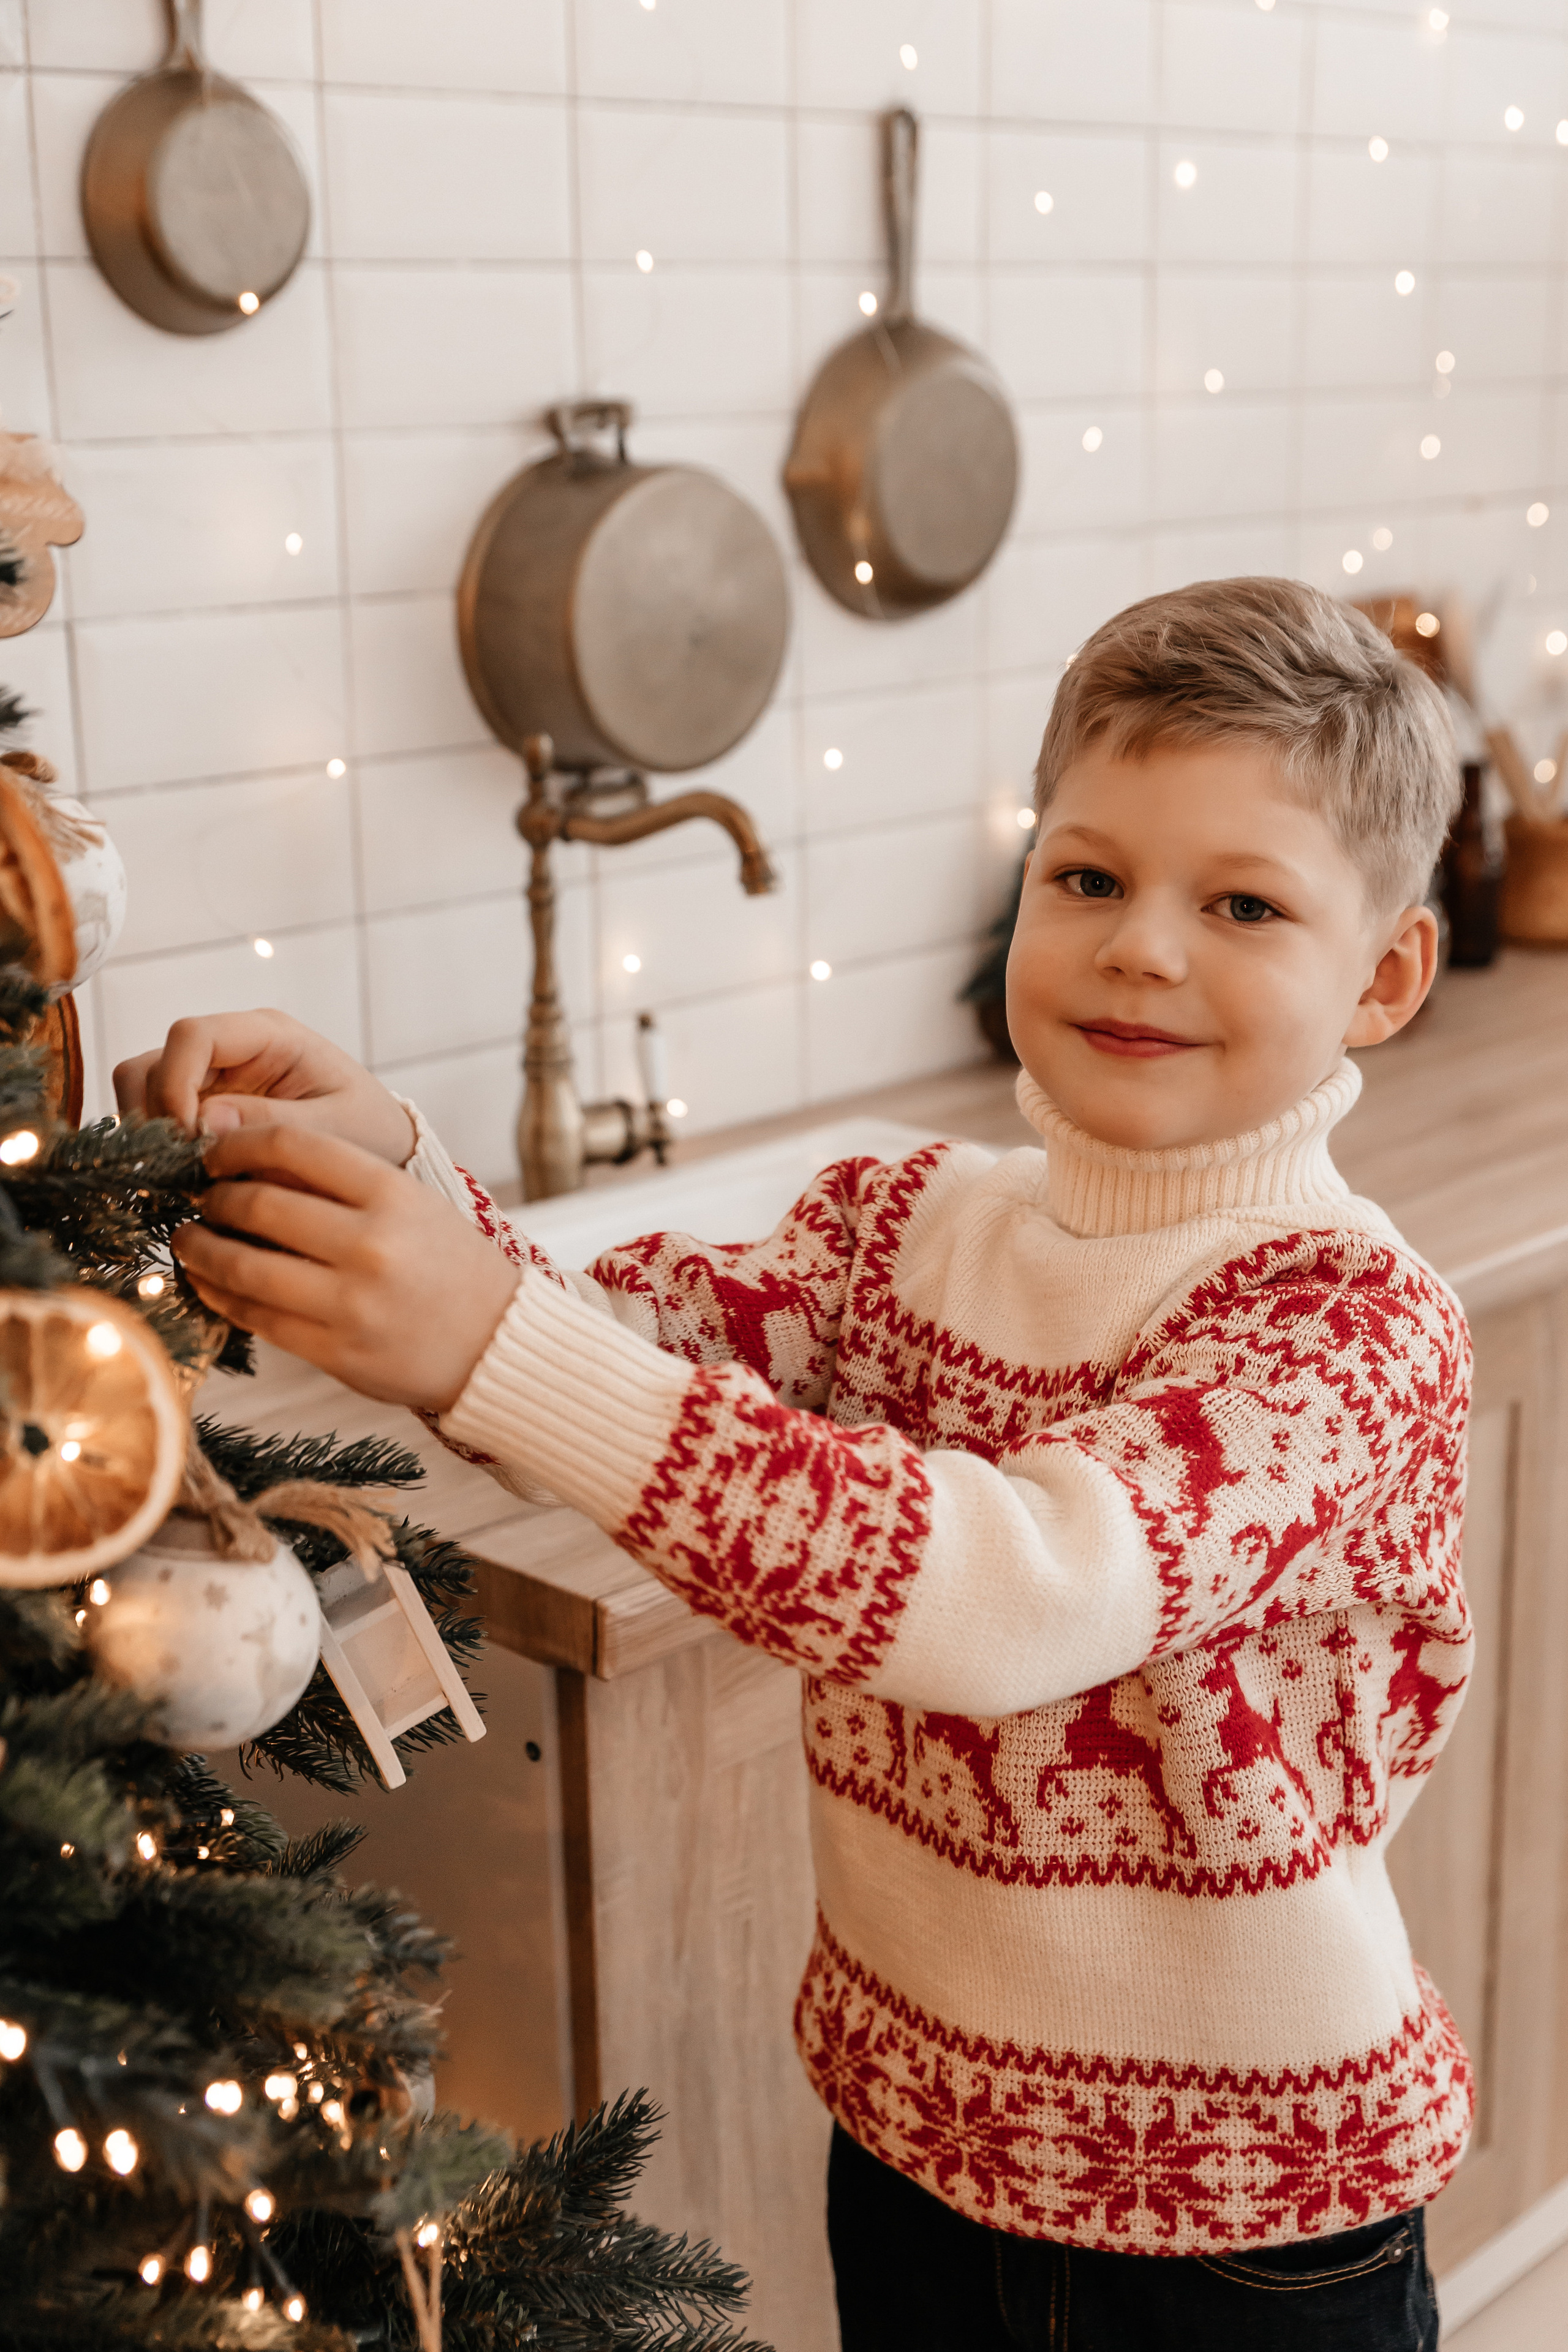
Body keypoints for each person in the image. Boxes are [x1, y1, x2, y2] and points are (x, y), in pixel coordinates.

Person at [120, 579, 1470, 2351]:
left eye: (1242, 904)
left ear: (1383, 979)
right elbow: (605, 1334)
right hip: (916, 2143)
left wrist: (478, 1329)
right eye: (1087, 878)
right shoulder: (906, 1225)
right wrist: (399, 1159)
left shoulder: (1351, 1330)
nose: (1144, 944)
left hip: (1238, 2229)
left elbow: (1004, 1593)